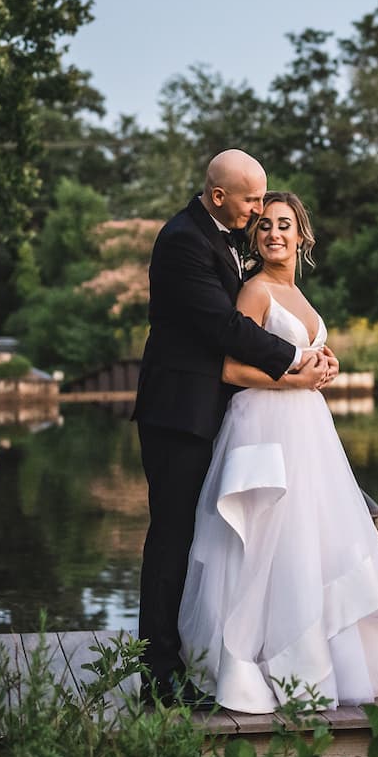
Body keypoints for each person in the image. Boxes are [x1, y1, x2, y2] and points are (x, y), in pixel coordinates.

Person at [178, 191, 378, 713]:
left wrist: (322, 370)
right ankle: (261, 664)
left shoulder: (303, 301)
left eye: (284, 225)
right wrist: (295, 383)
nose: (273, 234)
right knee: (264, 541)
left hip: (309, 431)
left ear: (301, 237)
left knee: (308, 539)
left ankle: (319, 656)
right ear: (256, 237)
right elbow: (231, 371)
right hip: (263, 428)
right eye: (264, 225)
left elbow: (298, 361)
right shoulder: (254, 291)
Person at [133, 151, 335, 708]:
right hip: (178, 414)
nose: (259, 208)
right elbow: (223, 327)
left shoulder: (217, 237)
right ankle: (158, 677)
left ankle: (197, 659)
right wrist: (299, 360)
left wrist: (313, 357)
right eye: (252, 200)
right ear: (219, 197)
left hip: (210, 414)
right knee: (173, 540)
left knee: (206, 540)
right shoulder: (183, 241)